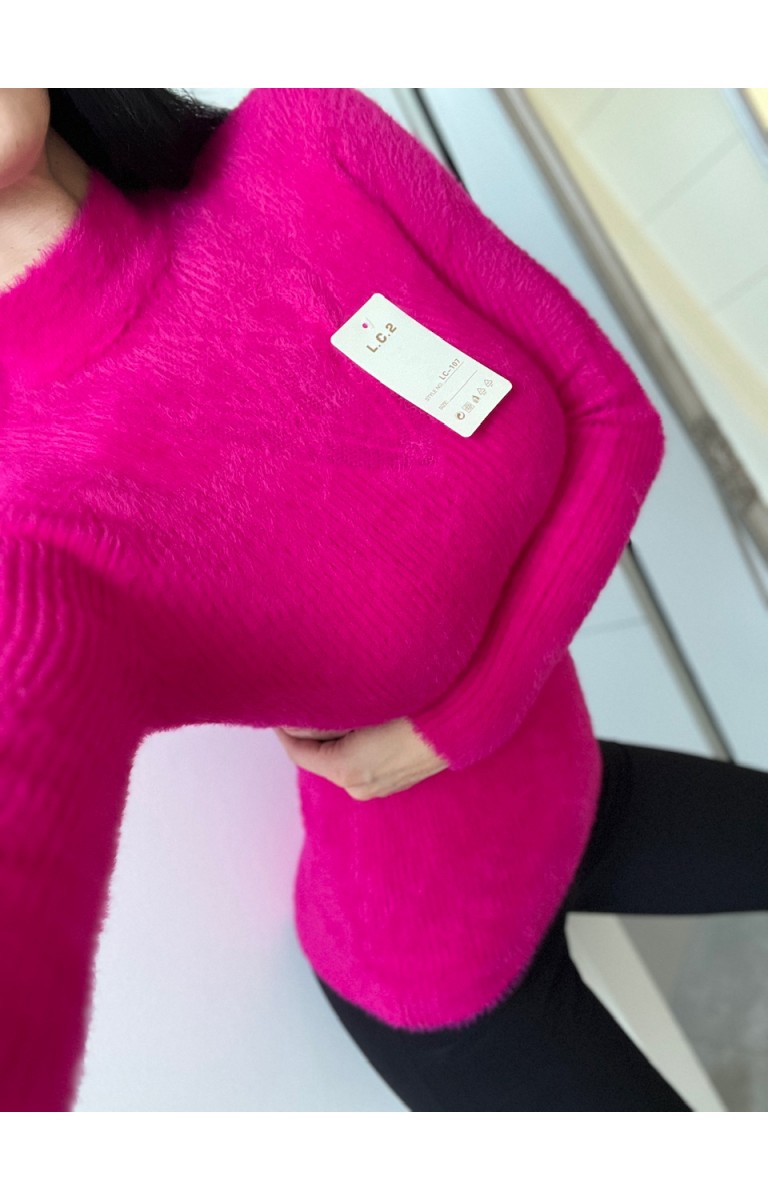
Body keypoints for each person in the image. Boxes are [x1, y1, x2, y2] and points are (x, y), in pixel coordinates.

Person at [0, 87, 766, 1112]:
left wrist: (459, 722)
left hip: (579, 793)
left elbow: (612, 419)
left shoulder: (307, 143)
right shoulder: (26, 503)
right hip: (444, 978)